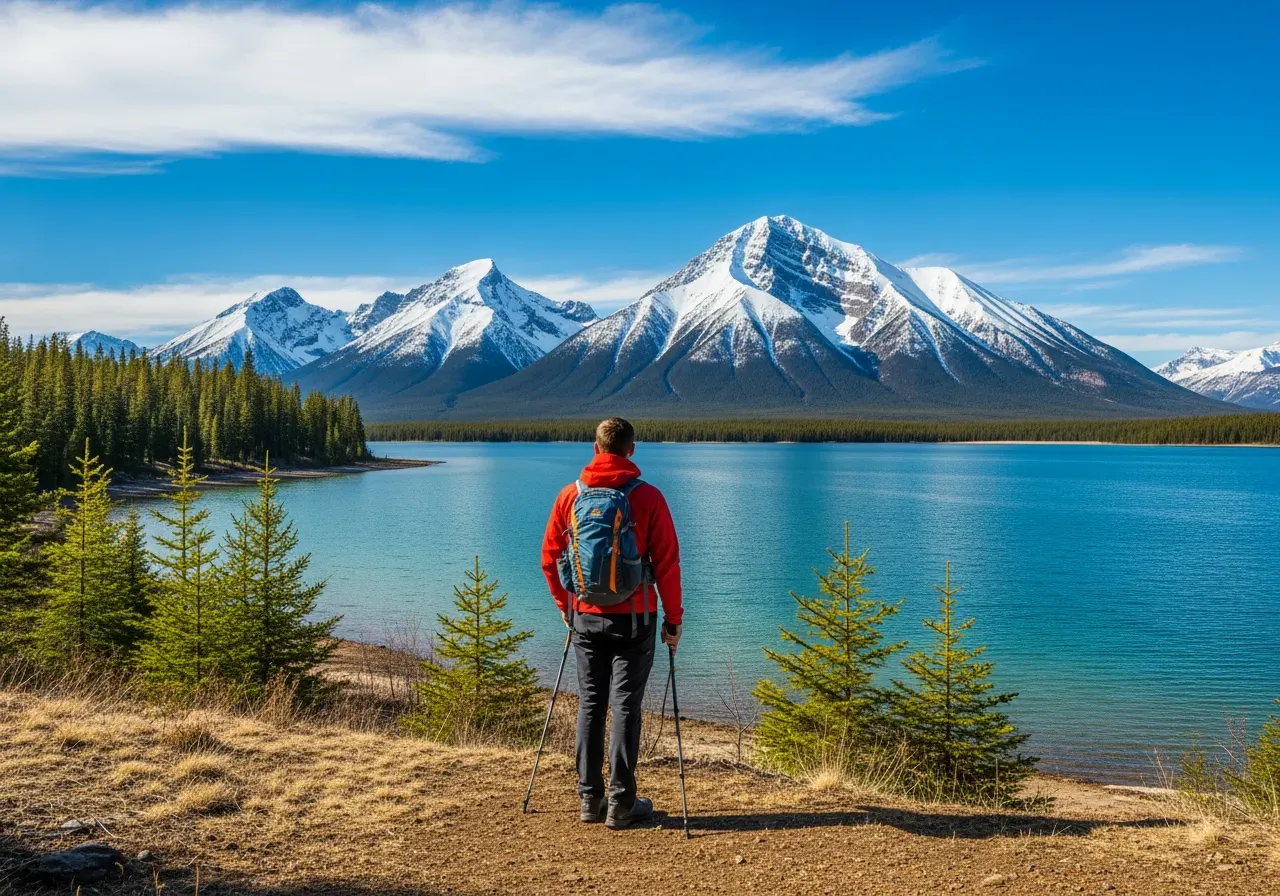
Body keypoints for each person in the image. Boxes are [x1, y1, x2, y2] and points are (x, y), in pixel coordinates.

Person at [540, 417, 682, 830]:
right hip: (636, 620)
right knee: (625, 707)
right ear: (631, 450)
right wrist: (673, 620)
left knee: (590, 704)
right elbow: (668, 565)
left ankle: (589, 799)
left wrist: (567, 607)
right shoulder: (649, 497)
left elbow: (550, 560)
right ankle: (622, 803)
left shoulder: (571, 495)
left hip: (586, 618)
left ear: (596, 447)